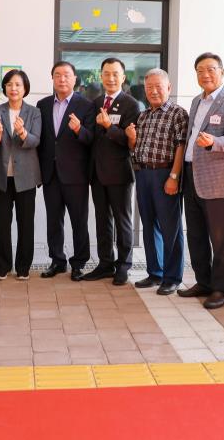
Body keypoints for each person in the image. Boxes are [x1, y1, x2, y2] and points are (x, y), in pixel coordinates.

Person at [178, 53, 224, 309]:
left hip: (219, 181)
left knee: (221, 239)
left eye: (211, 69)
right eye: (200, 70)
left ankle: (221, 288)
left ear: (222, 72)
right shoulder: (197, 101)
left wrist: (213, 142)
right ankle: (203, 282)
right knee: (196, 235)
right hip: (192, 175)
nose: (205, 75)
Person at [126, 68, 188, 295]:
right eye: (149, 88)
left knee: (171, 229)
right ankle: (155, 272)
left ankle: (172, 277)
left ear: (168, 88)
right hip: (143, 174)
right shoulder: (143, 115)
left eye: (158, 87)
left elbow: (181, 146)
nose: (153, 91)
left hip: (166, 174)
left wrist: (174, 176)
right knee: (149, 225)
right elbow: (135, 147)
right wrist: (131, 140)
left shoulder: (178, 113)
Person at [36, 61, 95, 281]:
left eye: (67, 75)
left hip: (75, 174)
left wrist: (79, 129)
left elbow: (91, 139)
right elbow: (42, 139)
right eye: (58, 75)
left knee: (79, 221)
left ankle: (79, 263)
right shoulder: (42, 105)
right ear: (52, 78)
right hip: (50, 173)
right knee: (54, 221)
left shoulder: (86, 105)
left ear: (75, 79)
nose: (62, 79)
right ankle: (57, 261)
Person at [84, 57, 140, 286]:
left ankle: (124, 265)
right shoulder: (96, 102)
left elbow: (129, 141)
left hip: (119, 172)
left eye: (115, 74)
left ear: (123, 77)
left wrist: (109, 126)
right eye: (106, 73)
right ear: (101, 76)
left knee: (122, 220)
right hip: (97, 172)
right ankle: (105, 263)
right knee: (102, 220)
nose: (110, 78)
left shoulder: (131, 104)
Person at [0, 69, 41, 280]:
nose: (13, 88)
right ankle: (3, 266)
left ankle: (23, 267)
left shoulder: (34, 112)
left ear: (25, 88)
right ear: (4, 88)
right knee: (2, 223)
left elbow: (36, 140)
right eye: (9, 84)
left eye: (18, 84)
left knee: (26, 224)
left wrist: (22, 132)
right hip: (1, 176)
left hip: (26, 176)